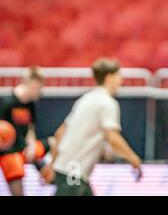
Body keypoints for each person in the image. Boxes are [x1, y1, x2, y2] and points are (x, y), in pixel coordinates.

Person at [50, 58, 142, 196]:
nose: (121, 81)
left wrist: (52, 163)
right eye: (118, 76)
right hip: (74, 171)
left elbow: (60, 132)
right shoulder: (107, 103)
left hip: (66, 167)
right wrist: (133, 158)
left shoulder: (85, 99)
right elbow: (113, 138)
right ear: (110, 77)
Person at [0, 67, 46, 196]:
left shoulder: (29, 105)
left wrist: (31, 144)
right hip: (8, 152)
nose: (41, 91)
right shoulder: (6, 102)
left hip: (23, 148)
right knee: (13, 163)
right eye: (39, 87)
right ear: (33, 83)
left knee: (51, 145)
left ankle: (53, 178)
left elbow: (30, 128)